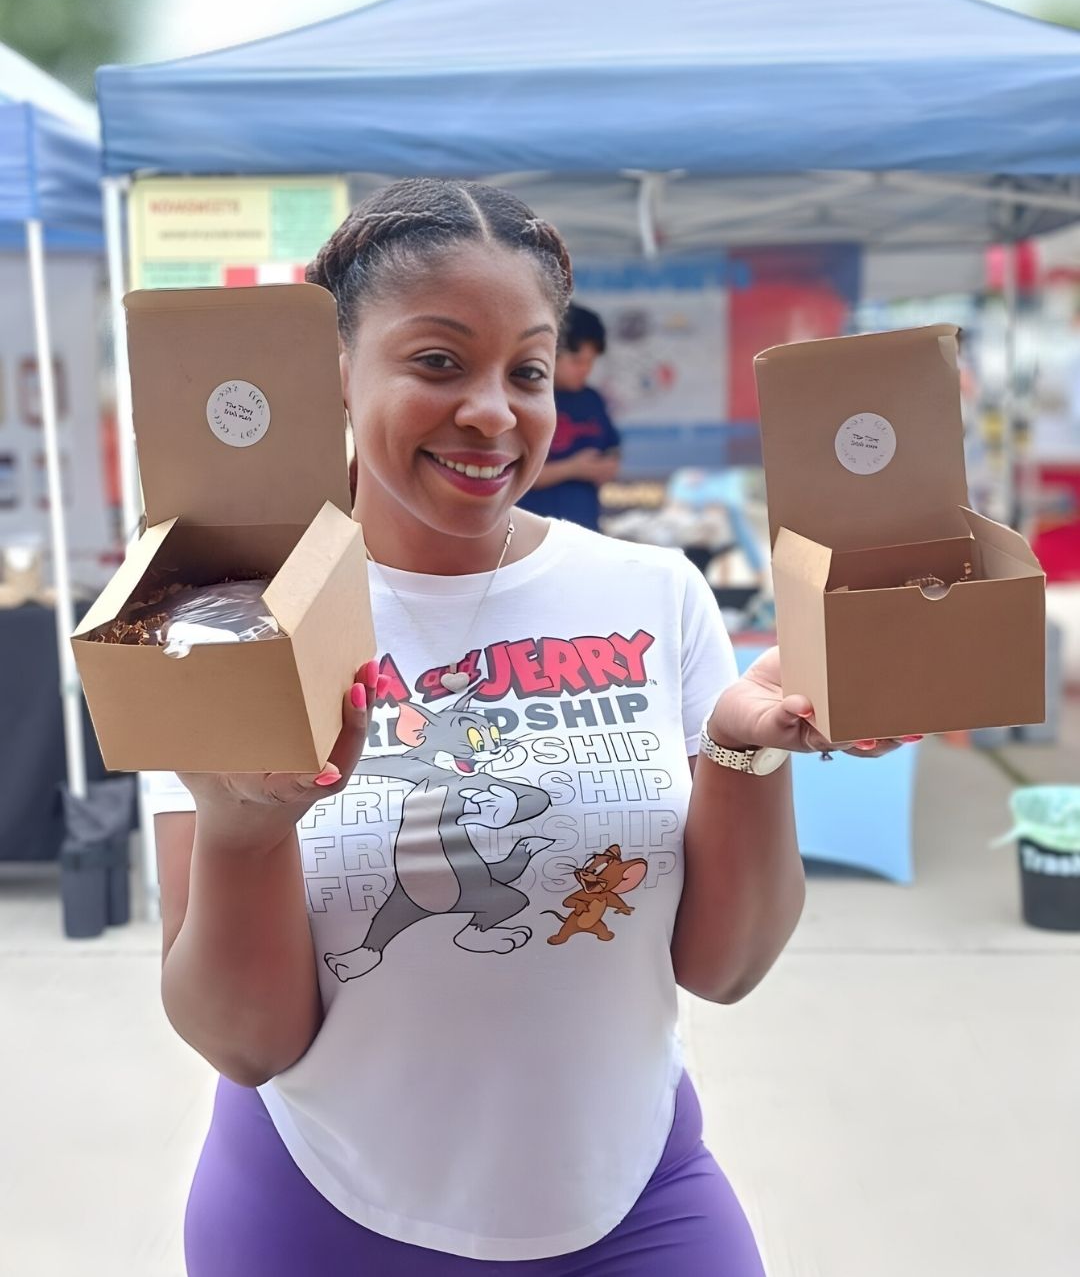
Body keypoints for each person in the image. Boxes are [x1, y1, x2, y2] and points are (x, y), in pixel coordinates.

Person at [156, 178, 912, 1277]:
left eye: (528, 367)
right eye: (437, 361)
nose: (494, 412)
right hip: (320, 1216)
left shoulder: (655, 591)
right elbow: (245, 1041)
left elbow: (727, 967)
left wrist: (744, 750)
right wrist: (243, 829)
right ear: (332, 373)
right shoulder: (230, 621)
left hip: (633, 1205)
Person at [518, 301, 620, 530]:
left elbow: (612, 447)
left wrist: (608, 465)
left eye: (591, 362)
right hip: (531, 530)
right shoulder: (524, 396)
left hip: (585, 527)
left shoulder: (592, 399)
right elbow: (513, 474)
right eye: (576, 361)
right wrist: (573, 468)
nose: (585, 369)